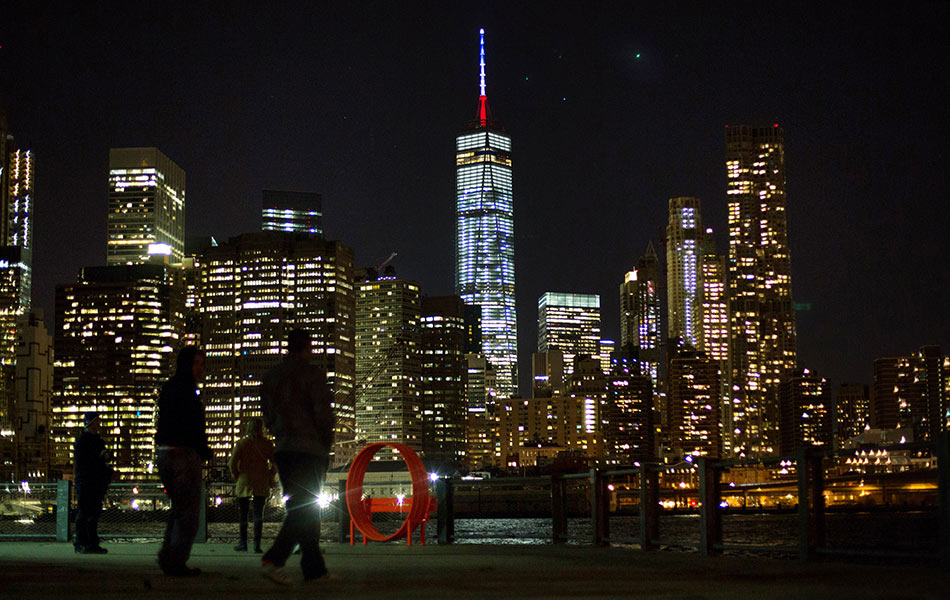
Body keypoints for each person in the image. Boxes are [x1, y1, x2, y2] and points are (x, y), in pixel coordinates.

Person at [259, 329, 334, 585]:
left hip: (283, 450)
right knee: (303, 510)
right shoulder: (313, 375)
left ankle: (314, 569)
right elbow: (323, 414)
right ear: (307, 348)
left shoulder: (270, 377)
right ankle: (274, 559)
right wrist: (326, 445)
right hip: (309, 451)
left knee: (302, 507)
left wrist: (280, 431)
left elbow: (267, 416)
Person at [155, 346, 211, 577]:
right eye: (198, 363)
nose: (201, 369)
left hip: (164, 452)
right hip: (184, 454)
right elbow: (193, 425)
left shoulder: (168, 388)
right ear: (188, 364)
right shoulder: (188, 391)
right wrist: (203, 449)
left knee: (178, 508)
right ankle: (176, 560)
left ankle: (168, 555)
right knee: (188, 512)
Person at [228, 418, 276, 553]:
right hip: (261, 482)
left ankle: (243, 543)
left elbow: (232, 463)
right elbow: (274, 464)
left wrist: (238, 476)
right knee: (258, 515)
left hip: (245, 481)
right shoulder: (267, 445)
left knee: (243, 515)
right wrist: (270, 477)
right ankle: (257, 545)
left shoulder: (242, 443)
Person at [73, 411, 113, 554]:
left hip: (95, 481)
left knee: (93, 513)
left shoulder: (95, 440)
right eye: (96, 421)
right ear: (90, 423)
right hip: (87, 480)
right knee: (85, 512)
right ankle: (82, 543)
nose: (99, 424)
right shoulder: (83, 441)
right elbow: (85, 461)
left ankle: (91, 543)